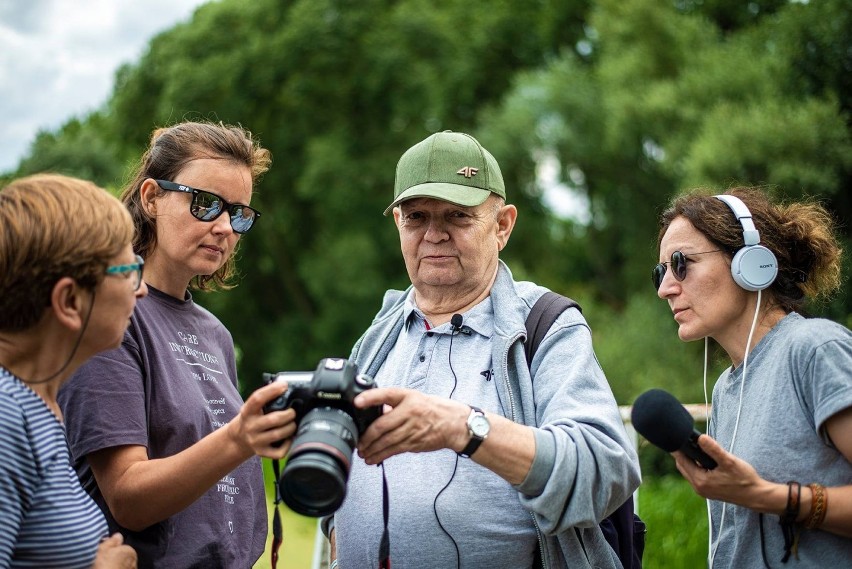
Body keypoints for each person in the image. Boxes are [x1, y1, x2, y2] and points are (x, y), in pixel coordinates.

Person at [325, 131, 641, 568]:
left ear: (503, 226)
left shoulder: (546, 325)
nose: (434, 234)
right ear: (398, 223)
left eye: (457, 215)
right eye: (416, 217)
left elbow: (606, 471)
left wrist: (465, 428)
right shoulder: (381, 330)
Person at [58, 121, 298, 568]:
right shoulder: (113, 319)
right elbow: (128, 497)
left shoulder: (216, 335)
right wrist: (242, 438)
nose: (225, 227)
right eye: (206, 204)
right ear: (151, 198)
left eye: (239, 213)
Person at [653, 186, 852, 567]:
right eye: (659, 272)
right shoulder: (727, 390)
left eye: (681, 263)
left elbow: (758, 496)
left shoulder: (815, 350)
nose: (665, 288)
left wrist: (767, 496)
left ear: (750, 262)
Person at [0, 173, 140, 568]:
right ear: (69, 300)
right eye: (128, 272)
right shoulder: (6, 416)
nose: (140, 289)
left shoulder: (35, 409)